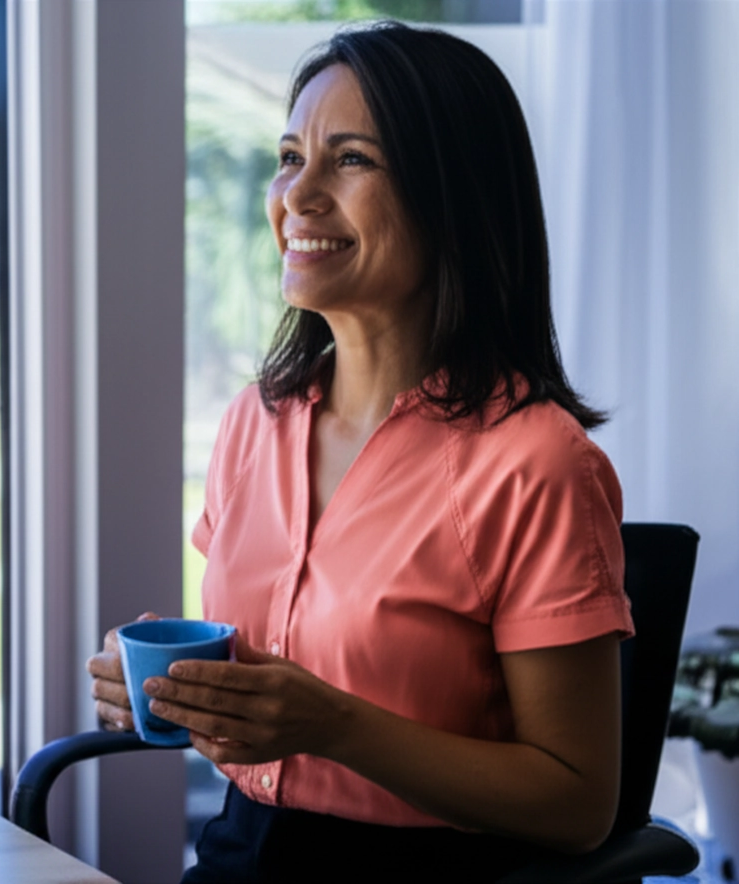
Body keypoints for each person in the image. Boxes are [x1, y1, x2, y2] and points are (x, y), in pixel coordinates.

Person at [87, 21, 634, 883]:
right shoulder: (252, 424)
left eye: (348, 160)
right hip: (238, 850)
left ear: (453, 197)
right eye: (288, 155)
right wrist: (185, 689)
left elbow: (575, 803)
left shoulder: (536, 463)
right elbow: (278, 660)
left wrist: (334, 725)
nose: (294, 195)